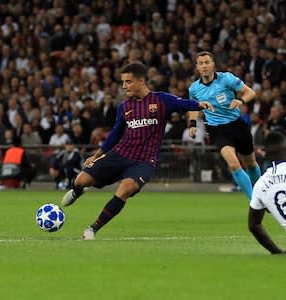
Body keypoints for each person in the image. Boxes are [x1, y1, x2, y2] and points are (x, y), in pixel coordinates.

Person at [60, 62, 213, 240]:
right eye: (123, 82)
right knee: (81, 180)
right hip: (120, 154)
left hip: (144, 161)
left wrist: (200, 105)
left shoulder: (161, 100)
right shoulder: (124, 107)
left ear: (141, 81)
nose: (124, 86)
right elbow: (114, 135)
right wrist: (96, 156)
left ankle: (92, 229)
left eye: (128, 81)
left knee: (126, 189)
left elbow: (184, 104)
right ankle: (78, 191)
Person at [188, 51, 261, 200]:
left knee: (251, 164)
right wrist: (192, 124)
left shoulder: (226, 78)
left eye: (207, 62)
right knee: (233, 164)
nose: (204, 66)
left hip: (237, 125)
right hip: (217, 130)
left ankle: (263, 193)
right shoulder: (194, 89)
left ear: (213, 64)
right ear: (197, 67)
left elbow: (250, 92)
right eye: (201, 63)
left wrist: (241, 101)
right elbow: (194, 107)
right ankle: (254, 201)